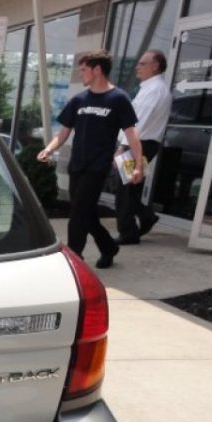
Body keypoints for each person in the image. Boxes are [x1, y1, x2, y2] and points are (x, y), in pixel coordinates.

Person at [38, 50, 143, 269]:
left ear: (97, 70)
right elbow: (64, 132)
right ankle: (108, 247)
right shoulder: (79, 99)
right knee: (85, 212)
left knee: (78, 214)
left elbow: (132, 134)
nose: (81, 74)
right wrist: (48, 149)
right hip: (77, 164)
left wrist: (137, 166)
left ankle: (74, 260)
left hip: (98, 166)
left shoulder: (118, 99)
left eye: (84, 69)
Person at [114, 49, 172, 244]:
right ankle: (146, 216)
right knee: (131, 188)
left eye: (142, 64)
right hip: (141, 144)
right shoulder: (150, 88)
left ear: (155, 66)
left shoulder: (155, 89)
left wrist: (123, 146)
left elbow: (140, 121)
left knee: (124, 189)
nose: (137, 67)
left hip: (138, 144)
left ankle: (128, 232)